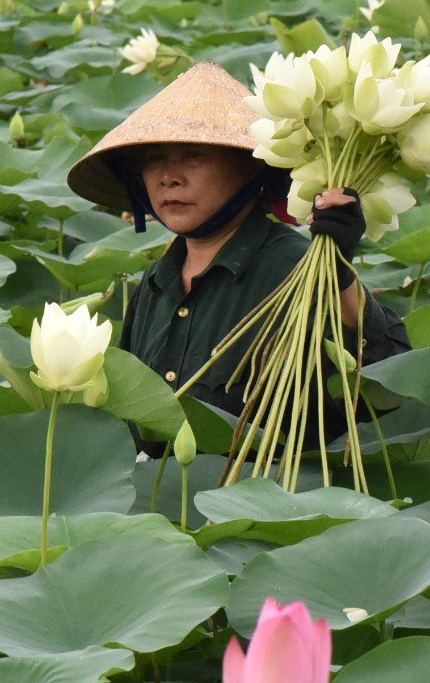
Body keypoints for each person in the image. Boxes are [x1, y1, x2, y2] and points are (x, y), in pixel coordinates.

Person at [68, 61, 409, 436]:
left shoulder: (297, 267)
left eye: (193, 154)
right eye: (154, 158)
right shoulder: (153, 282)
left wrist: (339, 274)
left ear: (252, 167)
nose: (170, 177)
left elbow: (389, 387)